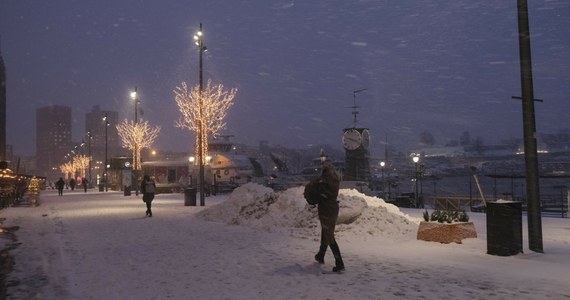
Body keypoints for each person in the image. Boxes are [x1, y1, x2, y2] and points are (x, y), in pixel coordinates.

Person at [314, 161, 344, 272]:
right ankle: (321, 255)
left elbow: (321, 193)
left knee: (329, 235)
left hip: (326, 208)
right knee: (326, 231)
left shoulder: (325, 180)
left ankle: (339, 262)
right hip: (333, 208)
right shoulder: (335, 179)